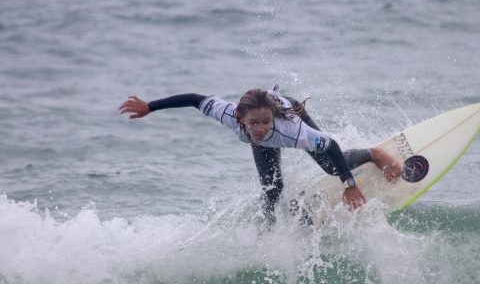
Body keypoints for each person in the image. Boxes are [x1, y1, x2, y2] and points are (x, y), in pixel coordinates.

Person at [118, 86, 401, 224]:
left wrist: (349, 185)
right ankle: (272, 230)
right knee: (271, 190)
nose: (261, 130)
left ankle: (373, 154)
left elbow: (330, 145)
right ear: (240, 118)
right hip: (260, 106)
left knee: (329, 165)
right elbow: (194, 99)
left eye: (265, 123)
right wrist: (150, 106)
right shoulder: (230, 115)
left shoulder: (291, 131)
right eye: (254, 124)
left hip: (285, 108)